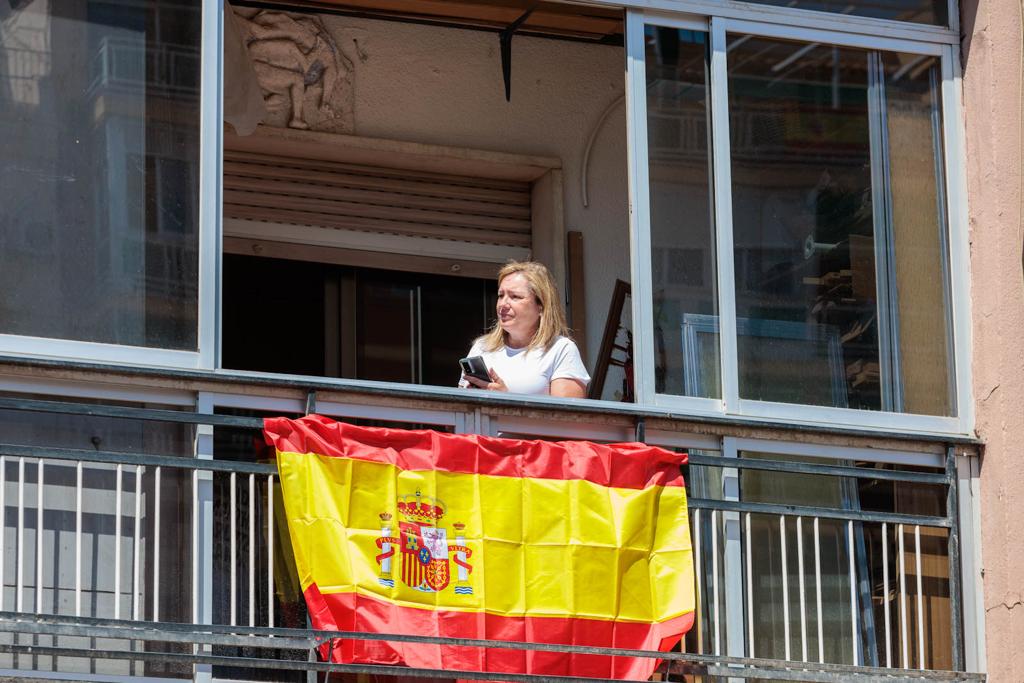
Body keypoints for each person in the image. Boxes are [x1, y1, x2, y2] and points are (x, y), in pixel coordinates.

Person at [459, 261, 590, 398]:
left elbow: (567, 417)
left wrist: (505, 401)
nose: (503, 304)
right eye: (501, 295)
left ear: (541, 305)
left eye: (515, 296)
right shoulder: (482, 347)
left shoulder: (560, 349)